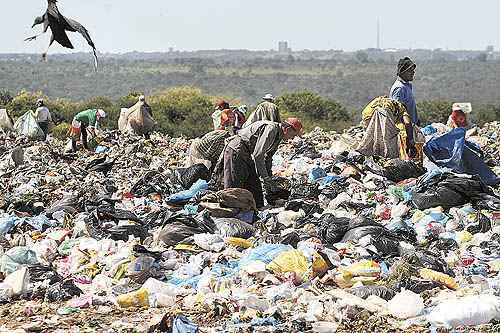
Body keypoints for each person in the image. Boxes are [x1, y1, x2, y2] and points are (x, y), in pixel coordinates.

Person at [222, 118, 303, 208]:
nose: (292, 138)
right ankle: (228, 211)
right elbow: (258, 155)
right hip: (236, 149)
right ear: (287, 130)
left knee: (255, 187)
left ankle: (257, 210)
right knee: (234, 184)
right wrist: (265, 177)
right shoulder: (271, 129)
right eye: (293, 135)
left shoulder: (279, 136)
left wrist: (269, 179)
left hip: (247, 153)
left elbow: (268, 158)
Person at [357, 96, 422, 161]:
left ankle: (364, 157)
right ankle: (388, 161)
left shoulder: (390, 102)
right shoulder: (402, 109)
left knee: (372, 140)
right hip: (384, 113)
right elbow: (407, 123)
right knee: (390, 141)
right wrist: (410, 141)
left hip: (367, 114)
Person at [390, 57, 418, 126]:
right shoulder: (400, 88)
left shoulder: (406, 86)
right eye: (410, 70)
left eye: (413, 70)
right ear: (403, 72)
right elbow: (398, 113)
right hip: (405, 130)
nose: (413, 73)